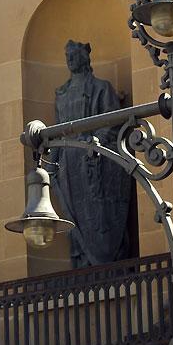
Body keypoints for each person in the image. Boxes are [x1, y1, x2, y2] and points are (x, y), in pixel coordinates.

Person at [53, 40, 137, 267]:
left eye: (74, 55)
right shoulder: (61, 94)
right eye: (67, 55)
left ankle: (108, 258)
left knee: (100, 213)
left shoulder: (101, 88)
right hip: (68, 166)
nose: (70, 59)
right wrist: (50, 163)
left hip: (95, 161)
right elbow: (56, 131)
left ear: (84, 58)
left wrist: (95, 140)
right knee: (74, 214)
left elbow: (113, 120)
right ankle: (81, 259)